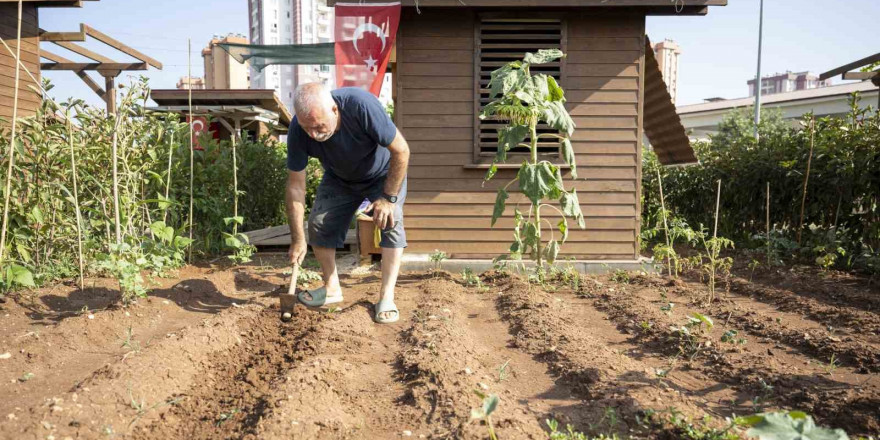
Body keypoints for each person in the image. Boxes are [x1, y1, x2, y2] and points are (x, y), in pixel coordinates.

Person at [284, 82, 410, 324]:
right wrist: (298, 238)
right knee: (319, 223)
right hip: (340, 178)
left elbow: (401, 151)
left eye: (319, 126)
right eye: (307, 128)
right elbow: (296, 186)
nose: (314, 134)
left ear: (334, 109)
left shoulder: (360, 106)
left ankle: (386, 296)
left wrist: (388, 199)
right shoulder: (298, 130)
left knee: (390, 222)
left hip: (383, 174)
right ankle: (331, 288)